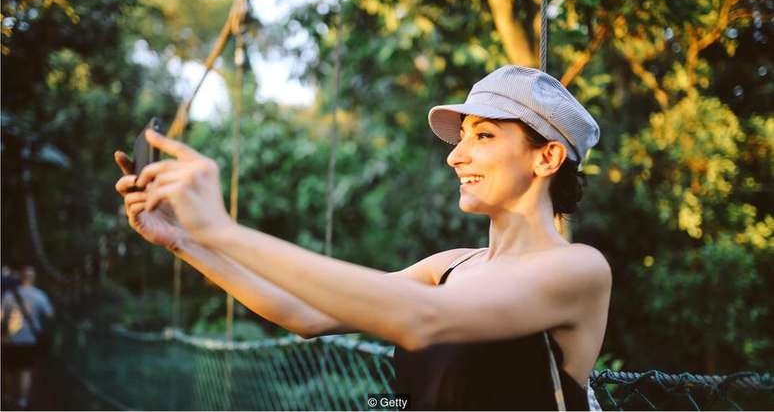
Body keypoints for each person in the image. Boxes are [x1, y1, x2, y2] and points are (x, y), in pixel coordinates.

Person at [114, 65, 611, 410]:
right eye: (460, 137)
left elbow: (422, 322)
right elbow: (303, 314)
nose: (455, 156)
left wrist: (222, 228)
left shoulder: (577, 270)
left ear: (546, 157)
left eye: (483, 136)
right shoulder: (450, 266)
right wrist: (186, 241)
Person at [1, 265, 55, 410]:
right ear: (33, 278)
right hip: (29, 340)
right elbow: (50, 315)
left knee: (8, 370)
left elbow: (1, 317)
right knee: (25, 372)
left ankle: (6, 396)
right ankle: (22, 401)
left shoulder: (9, 295)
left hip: (10, 340)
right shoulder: (40, 296)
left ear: (20, 277)